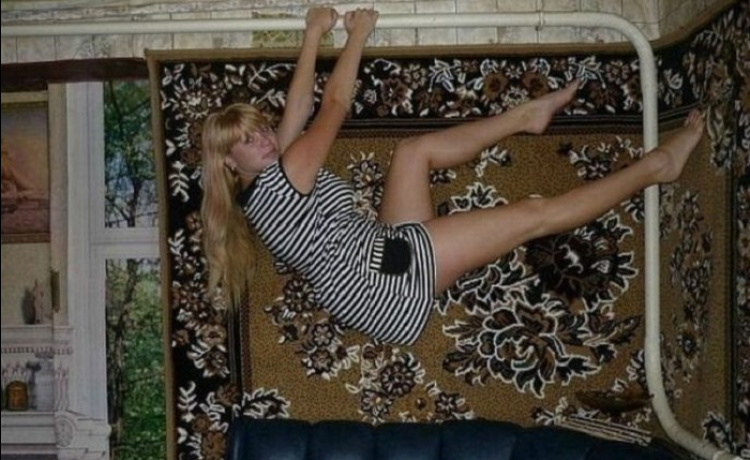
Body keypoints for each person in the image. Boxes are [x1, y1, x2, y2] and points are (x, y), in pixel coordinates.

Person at [200, 7, 705, 345]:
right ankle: (658, 167)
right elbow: (333, 103)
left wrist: (313, 33)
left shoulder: (263, 185)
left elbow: (297, 110)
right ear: (228, 162)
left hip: (377, 255)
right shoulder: (282, 180)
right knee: (532, 215)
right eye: (246, 140)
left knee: (412, 154)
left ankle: (526, 117)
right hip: (386, 286)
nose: (262, 138)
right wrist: (357, 35)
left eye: (259, 128)